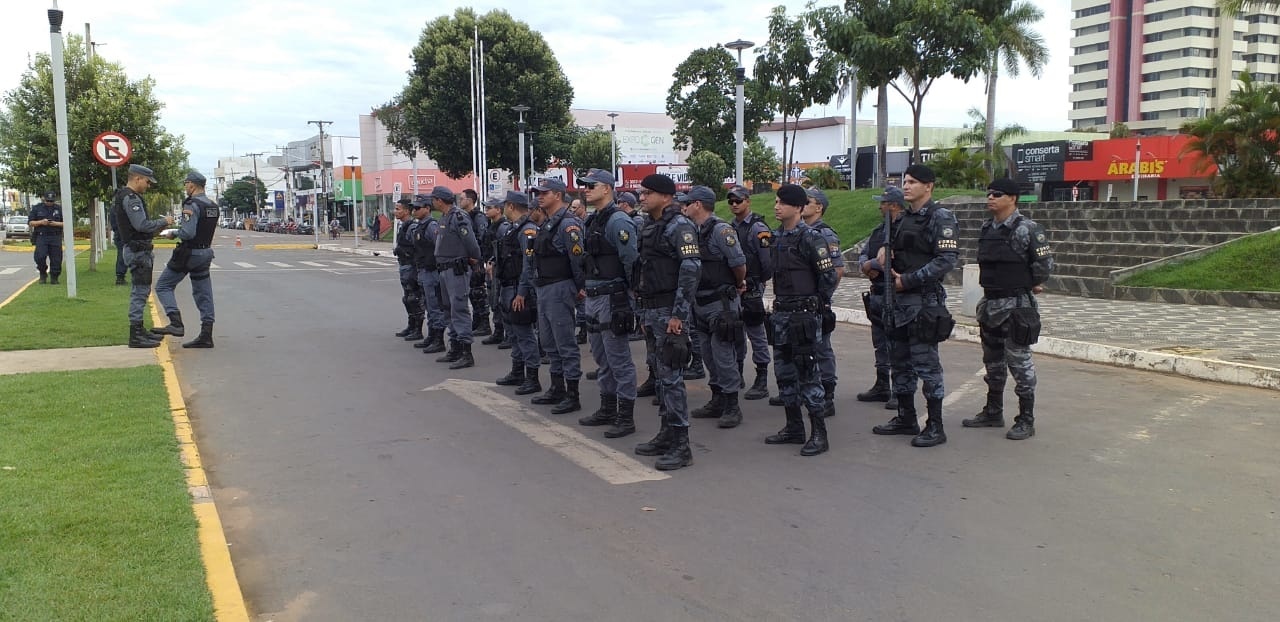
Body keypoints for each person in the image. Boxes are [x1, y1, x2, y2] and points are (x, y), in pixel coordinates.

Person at [871, 164, 959, 448]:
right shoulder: (902, 219)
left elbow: (946, 260)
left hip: (922, 301)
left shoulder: (940, 217)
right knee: (900, 363)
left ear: (928, 186)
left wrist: (908, 280)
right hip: (897, 303)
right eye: (905, 181)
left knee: (926, 365)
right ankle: (905, 417)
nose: (906, 186)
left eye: (912, 182)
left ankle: (935, 425)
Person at [963, 178, 1054, 440]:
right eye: (988, 193)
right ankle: (993, 411)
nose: (990, 197)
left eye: (997, 194)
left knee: (1020, 364)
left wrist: (1030, 283)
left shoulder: (1028, 228)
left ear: (1012, 198)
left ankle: (1026, 419)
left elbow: (1044, 265)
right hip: (990, 305)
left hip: (1016, 306)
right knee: (992, 362)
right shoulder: (987, 227)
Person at [631, 174, 701, 471]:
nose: (642, 197)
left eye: (648, 193)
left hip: (670, 313)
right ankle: (666, 433)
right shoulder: (652, 226)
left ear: (666, 197)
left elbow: (691, 270)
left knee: (672, 379)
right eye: (641, 193)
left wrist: (678, 316)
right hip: (653, 310)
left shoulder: (680, 226)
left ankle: (681, 445)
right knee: (660, 376)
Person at [764, 184, 839, 456]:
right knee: (784, 373)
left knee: (808, 374)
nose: (776, 206)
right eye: (776, 201)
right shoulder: (777, 237)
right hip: (782, 313)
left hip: (804, 316)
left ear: (797, 207)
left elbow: (828, 276)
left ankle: (819, 433)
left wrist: (815, 304)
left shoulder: (811, 238)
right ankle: (793, 427)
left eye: (782, 203)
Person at [573, 169, 640, 438]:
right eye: (584, 185)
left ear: (608, 189)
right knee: (601, 356)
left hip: (613, 297)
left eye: (592, 185)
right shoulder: (593, 220)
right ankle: (607, 407)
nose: (586, 189)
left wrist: (629, 297)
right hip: (594, 296)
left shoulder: (618, 221)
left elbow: (631, 263)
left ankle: (625, 416)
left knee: (619, 358)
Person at [684, 185, 749, 429]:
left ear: (698, 204)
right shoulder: (692, 230)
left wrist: (738, 283)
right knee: (709, 357)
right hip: (699, 303)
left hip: (720, 303)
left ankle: (732, 405)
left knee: (723, 356)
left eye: (688, 203)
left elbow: (739, 264)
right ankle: (717, 399)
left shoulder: (721, 231)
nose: (685, 207)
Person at [528, 178, 586, 414]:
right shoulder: (549, 223)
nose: (540, 196)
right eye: (538, 193)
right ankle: (557, 386)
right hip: (545, 287)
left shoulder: (568, 224)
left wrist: (580, 287)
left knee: (565, 342)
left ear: (559, 195)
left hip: (560, 287)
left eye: (545, 193)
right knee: (549, 342)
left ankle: (572, 393)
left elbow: (578, 259)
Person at [151, 172, 218, 348]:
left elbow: (188, 232)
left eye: (186, 183)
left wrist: (173, 233)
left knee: (163, 285)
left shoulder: (191, 204)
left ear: (192, 185)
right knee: (203, 293)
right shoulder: (212, 205)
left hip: (189, 253)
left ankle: (175, 323)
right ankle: (206, 334)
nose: (185, 187)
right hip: (206, 252)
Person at [855, 186, 906, 412]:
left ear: (894, 205)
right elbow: (863, 254)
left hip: (895, 293)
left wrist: (873, 265)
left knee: (897, 345)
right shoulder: (879, 230)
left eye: (883, 203)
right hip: (877, 292)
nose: (880, 207)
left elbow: (900, 260)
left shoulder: (904, 230)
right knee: (880, 343)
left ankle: (899, 390)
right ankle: (882, 384)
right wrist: (868, 266)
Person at [113, 164, 175, 348]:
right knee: (139, 293)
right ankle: (136, 335)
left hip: (137, 248)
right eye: (147, 181)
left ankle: (140, 331)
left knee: (142, 291)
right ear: (137, 178)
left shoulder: (124, 196)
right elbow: (141, 225)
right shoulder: (131, 198)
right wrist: (164, 221)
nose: (148, 185)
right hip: (138, 251)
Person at [727, 186, 774, 402]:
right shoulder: (728, 227)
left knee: (756, 332)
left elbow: (767, 263)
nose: (734, 204)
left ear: (748, 201)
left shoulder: (758, 228)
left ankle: (762, 378)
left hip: (752, 287)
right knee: (735, 332)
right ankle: (736, 373)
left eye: (738, 200)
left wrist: (756, 283)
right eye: (731, 201)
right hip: (734, 287)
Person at [802, 187, 844, 418]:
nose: (803, 205)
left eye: (807, 202)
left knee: (822, 349)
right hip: (803, 302)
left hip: (817, 302)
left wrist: (823, 298)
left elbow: (837, 270)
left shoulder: (825, 234)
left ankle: (827, 396)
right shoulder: (802, 231)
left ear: (819, 207)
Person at [497, 191, 544, 395]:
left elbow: (529, 265)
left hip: (519, 289)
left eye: (505, 205)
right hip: (508, 286)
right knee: (514, 333)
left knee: (524, 334)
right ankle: (518, 371)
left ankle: (532, 377)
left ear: (511, 206)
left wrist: (522, 293)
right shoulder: (513, 229)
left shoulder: (528, 231)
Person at [432, 186, 482, 369]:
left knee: (459, 309)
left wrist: (476, 260)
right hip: (444, 269)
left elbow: (471, 242)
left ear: (439, 200)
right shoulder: (444, 217)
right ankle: (454, 348)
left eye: (434, 199)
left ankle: (466, 352)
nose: (432, 202)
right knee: (448, 309)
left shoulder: (458, 216)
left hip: (456, 269)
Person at [410, 196, 448, 353]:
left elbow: (440, 246)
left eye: (418, 208)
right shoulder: (421, 225)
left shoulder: (431, 226)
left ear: (427, 208)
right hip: (424, 270)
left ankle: (438, 339)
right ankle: (432, 336)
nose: (414, 211)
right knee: (428, 305)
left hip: (432, 271)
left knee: (434, 306)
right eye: (414, 208)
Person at [391, 197, 425, 342]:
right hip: (404, 265)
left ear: (406, 211)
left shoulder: (411, 227)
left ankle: (417, 329)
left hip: (411, 266)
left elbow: (417, 246)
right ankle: (411, 326)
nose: (395, 211)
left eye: (398, 209)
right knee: (407, 298)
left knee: (413, 298)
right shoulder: (403, 226)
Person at [461, 189, 493, 338]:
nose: (460, 201)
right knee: (473, 293)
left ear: (469, 200)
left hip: (476, 260)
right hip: (469, 259)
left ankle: (484, 323)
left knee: (478, 292)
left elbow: (482, 238)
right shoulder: (465, 216)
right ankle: (477, 321)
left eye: (462, 198)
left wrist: (478, 257)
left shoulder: (478, 217)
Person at [480, 195, 510, 347]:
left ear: (498, 210)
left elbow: (502, 250)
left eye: (490, 207)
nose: (486, 210)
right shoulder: (491, 225)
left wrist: (493, 262)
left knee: (500, 300)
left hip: (497, 268)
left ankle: (507, 334)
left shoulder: (503, 227)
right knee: (493, 300)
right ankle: (498, 331)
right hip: (490, 267)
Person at [28, 191, 65, 285]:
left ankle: (54, 277)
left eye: (51, 201)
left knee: (56, 259)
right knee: (40, 257)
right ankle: (43, 273)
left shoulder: (59, 209)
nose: (49, 202)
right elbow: (31, 222)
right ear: (44, 199)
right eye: (48, 200)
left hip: (55, 236)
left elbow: (66, 222)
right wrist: (41, 222)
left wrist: (55, 223)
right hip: (41, 236)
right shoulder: (37, 208)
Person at [109, 205, 127, 285]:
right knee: (122, 254)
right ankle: (120, 276)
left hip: (118, 233)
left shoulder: (114, 207)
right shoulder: (121, 206)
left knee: (121, 253)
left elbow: (113, 224)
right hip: (122, 233)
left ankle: (120, 276)